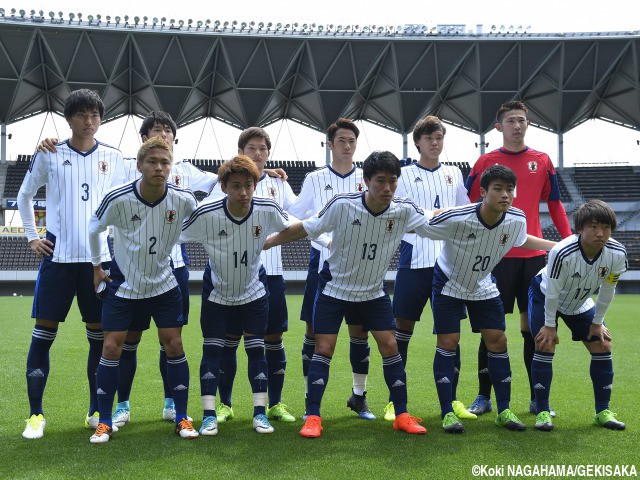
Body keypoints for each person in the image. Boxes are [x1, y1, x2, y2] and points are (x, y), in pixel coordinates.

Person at [36, 113, 288, 426]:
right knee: (128, 340)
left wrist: (263, 170)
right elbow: (91, 167)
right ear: (144, 141)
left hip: (174, 270)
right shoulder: (125, 167)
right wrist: (54, 144)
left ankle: (172, 403)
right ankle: (122, 405)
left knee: (170, 339)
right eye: (158, 130)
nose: (165, 134)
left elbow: (226, 180)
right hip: (132, 272)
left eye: (169, 131)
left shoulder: (184, 172)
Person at [264, 150, 430, 438]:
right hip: (335, 288)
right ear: (365, 180)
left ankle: (402, 414)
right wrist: (267, 243)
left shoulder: (404, 209)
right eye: (380, 180)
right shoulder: (342, 205)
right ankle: (313, 416)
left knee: (390, 346)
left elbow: (437, 222)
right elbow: (305, 228)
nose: (387, 188)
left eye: (393, 180)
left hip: (373, 291)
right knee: (323, 348)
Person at [18, 89, 126, 439]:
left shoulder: (113, 156)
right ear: (69, 119)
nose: (89, 120)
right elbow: (24, 194)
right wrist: (32, 236)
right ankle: (36, 415)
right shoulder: (50, 153)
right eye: (82, 114)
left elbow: (126, 202)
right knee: (43, 336)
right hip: (58, 261)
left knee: (99, 338)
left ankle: (96, 409)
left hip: (98, 262)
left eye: (95, 114)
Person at [87, 136, 199, 443]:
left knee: (174, 344)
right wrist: (97, 264)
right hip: (124, 285)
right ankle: (105, 420)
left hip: (163, 283)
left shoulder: (183, 199)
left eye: (165, 162)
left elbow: (206, 220)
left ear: (170, 166)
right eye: (152, 162)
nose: (159, 168)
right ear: (139, 166)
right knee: (112, 346)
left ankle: (181, 417)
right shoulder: (119, 198)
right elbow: (94, 227)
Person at [428, 165, 556, 433]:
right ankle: (447, 412)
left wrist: (555, 246)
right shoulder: (458, 217)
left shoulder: (516, 219)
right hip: (449, 281)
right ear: (483, 192)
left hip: (483, 284)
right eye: (498, 189)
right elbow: (422, 224)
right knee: (449, 342)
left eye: (509, 189)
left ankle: (504, 409)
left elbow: (521, 240)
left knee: (498, 340)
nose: (505, 194)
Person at [465, 100, 572, 417]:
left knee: (533, 329)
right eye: (510, 120)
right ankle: (483, 397)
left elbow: (554, 205)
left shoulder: (542, 160)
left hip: (533, 257)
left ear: (528, 124)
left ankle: (539, 398)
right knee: (491, 329)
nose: (517, 124)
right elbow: (471, 203)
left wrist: (567, 243)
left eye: (522, 120)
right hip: (494, 257)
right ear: (498, 126)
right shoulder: (486, 161)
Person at [180, 155, 292, 436]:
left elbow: (296, 225)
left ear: (256, 185)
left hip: (253, 293)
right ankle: (208, 415)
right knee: (213, 351)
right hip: (217, 294)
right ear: (224, 187)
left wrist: (273, 241)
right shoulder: (207, 213)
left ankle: (259, 414)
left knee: (257, 351)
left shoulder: (267, 209)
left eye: (248, 185)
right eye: (236, 186)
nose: (243, 192)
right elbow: (173, 234)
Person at [205, 128, 298, 424]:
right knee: (229, 341)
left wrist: (270, 241)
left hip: (271, 273)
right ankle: (225, 404)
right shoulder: (226, 185)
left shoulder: (279, 184)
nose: (258, 154)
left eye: (263, 149)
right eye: (252, 148)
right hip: (232, 277)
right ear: (240, 152)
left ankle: (275, 404)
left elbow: (296, 218)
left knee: (272, 339)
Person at [288, 118, 375, 420]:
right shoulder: (314, 178)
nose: (347, 146)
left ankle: (359, 396)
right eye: (341, 140)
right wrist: (323, 238)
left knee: (359, 331)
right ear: (330, 144)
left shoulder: (367, 179)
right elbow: (294, 215)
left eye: (352, 140)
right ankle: (310, 399)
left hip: (359, 267)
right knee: (314, 331)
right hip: (322, 264)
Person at [387, 115, 474, 422]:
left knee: (451, 335)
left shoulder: (453, 173)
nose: (435, 143)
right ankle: (392, 402)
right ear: (418, 143)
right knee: (401, 331)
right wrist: (439, 213)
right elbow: (400, 210)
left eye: (439, 138)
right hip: (414, 259)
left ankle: (452, 400)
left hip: (449, 265)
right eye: (429, 138)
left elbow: (466, 209)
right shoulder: (405, 174)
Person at [528, 200, 627, 431]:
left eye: (605, 227)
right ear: (580, 228)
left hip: (580, 302)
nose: (600, 233)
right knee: (545, 344)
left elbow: (608, 289)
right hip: (546, 297)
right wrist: (550, 326)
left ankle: (603, 411)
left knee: (602, 344)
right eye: (593, 226)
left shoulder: (617, 252)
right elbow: (552, 292)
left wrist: (597, 323)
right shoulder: (562, 252)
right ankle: (542, 411)